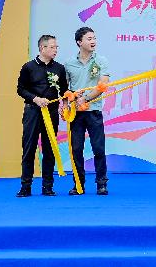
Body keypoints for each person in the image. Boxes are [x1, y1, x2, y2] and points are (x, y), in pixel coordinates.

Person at [16, 34, 69, 197]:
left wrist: (65, 104)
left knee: (49, 148)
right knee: (29, 148)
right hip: (33, 111)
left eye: (56, 47)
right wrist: (36, 99)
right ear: (42, 48)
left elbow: (64, 90)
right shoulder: (28, 67)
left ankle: (48, 186)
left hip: (51, 112)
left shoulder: (59, 68)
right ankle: (26, 186)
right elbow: (20, 89)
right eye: (52, 47)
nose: (55, 50)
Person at [64, 26, 110, 195]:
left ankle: (101, 184)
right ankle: (78, 184)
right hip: (76, 113)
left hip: (93, 111)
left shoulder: (101, 60)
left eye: (94, 38)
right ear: (79, 42)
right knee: (76, 150)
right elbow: (65, 89)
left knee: (98, 148)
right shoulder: (69, 63)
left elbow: (102, 85)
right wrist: (66, 104)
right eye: (89, 39)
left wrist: (86, 98)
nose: (93, 41)